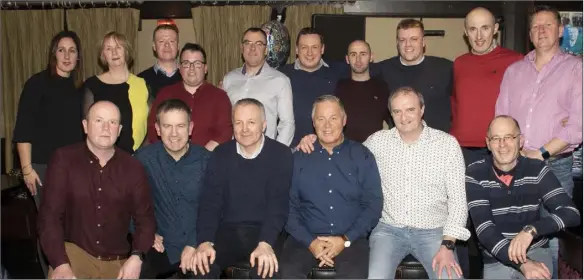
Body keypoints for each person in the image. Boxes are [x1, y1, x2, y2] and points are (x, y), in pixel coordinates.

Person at [298, 87, 470, 279]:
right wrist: (314, 140)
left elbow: (458, 201)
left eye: (410, 110)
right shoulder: (377, 142)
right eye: (397, 111)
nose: (403, 117)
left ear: (422, 110)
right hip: (388, 231)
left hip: (434, 231)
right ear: (391, 114)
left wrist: (448, 245)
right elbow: (343, 152)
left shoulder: (447, 144)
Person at [495, 5, 583, 278]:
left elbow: (578, 126)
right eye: (535, 27)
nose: (541, 31)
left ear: (560, 30)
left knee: (554, 232)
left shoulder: (576, 69)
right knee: (517, 228)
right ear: (529, 34)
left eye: (547, 25)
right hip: (516, 165)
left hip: (554, 165)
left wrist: (541, 153)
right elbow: (502, 118)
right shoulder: (514, 71)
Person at [37, 101, 156, 279]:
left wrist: (137, 257)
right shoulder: (63, 159)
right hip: (73, 255)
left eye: (113, 122)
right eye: (99, 121)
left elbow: (145, 219)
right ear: (85, 126)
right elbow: (49, 216)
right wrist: (60, 263)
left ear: (120, 129)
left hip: (118, 262)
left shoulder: (133, 167)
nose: (106, 128)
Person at [449, 7, 524, 278]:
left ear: (495, 29)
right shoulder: (458, 63)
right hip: (463, 153)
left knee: (499, 218)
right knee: (464, 218)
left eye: (484, 28)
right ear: (466, 33)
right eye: (472, 29)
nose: (478, 35)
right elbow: (454, 105)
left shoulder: (516, 61)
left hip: (500, 153)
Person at [466, 115, 581, 279]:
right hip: (497, 256)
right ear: (488, 143)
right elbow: (485, 230)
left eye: (509, 137)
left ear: (520, 141)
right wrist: (523, 264)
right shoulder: (475, 173)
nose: (502, 144)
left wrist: (531, 230)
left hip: (535, 250)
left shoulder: (536, 169)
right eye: (496, 138)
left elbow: (571, 213)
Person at [281, 95, 382, 278]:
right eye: (321, 119)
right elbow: (288, 207)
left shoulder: (362, 156)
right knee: (287, 273)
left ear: (344, 120)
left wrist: (345, 240)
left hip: (350, 239)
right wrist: (310, 242)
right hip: (303, 239)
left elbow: (373, 205)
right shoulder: (298, 159)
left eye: (333, 118)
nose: (327, 125)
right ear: (313, 123)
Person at [193, 98, 293, 279]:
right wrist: (205, 241)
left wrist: (266, 243)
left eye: (251, 122)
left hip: (265, 231)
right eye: (238, 123)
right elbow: (210, 203)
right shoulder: (220, 154)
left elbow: (278, 206)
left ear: (263, 125)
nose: (244, 129)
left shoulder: (281, 155)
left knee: (267, 271)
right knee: (201, 268)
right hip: (227, 231)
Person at [12, 30, 85, 278]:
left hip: (74, 169)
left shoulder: (79, 89)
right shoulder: (37, 83)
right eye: (61, 50)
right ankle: (52, 274)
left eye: (72, 51)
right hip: (43, 168)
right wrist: (26, 169)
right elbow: (23, 129)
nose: (66, 55)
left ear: (78, 58)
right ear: (53, 53)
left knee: (70, 227)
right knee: (51, 226)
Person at [136, 99, 211, 278]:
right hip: (162, 245)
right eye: (167, 126)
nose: (174, 133)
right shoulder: (143, 160)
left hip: (199, 241)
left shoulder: (207, 161)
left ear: (190, 128)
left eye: (180, 126)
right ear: (157, 129)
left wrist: (194, 244)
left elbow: (215, 209)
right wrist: (144, 231)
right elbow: (127, 203)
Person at [146, 43, 232, 151]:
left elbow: (224, 133)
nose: (191, 68)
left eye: (197, 63)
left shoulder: (220, 97)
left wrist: (200, 157)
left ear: (205, 68)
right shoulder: (165, 94)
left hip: (208, 160)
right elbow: (153, 129)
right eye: (186, 63)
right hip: (168, 161)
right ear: (180, 68)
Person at [374, 19, 453, 133]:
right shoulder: (383, 70)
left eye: (414, 39)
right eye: (402, 40)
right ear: (397, 43)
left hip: (438, 145)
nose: (408, 45)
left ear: (423, 42)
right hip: (399, 144)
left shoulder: (445, 68)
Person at [222, 27, 295, 146]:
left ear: (266, 50)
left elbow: (287, 123)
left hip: (265, 155)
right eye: (248, 43)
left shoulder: (280, 81)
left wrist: (277, 152)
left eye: (259, 44)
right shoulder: (229, 79)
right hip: (233, 153)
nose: (252, 48)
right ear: (242, 48)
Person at [83, 31, 150, 154]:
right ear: (103, 55)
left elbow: (153, 123)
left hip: (139, 158)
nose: (114, 52)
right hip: (103, 157)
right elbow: (88, 127)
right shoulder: (92, 85)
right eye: (108, 48)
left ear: (126, 51)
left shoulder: (142, 84)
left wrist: (141, 154)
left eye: (118, 47)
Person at [279, 28, 340, 147]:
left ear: (322, 49)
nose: (309, 53)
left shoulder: (337, 74)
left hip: (327, 151)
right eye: (304, 47)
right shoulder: (281, 76)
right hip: (291, 151)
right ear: (296, 50)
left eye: (314, 47)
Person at [335, 40, 390, 143]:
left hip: (375, 151)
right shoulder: (339, 87)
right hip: (345, 151)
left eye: (363, 54)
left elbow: (393, 121)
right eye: (353, 54)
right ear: (347, 59)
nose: (358, 59)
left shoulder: (382, 88)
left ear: (371, 57)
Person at [138, 23, 182, 98]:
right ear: (154, 46)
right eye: (161, 41)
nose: (167, 45)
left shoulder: (189, 77)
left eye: (172, 41)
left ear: (178, 46)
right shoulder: (140, 81)